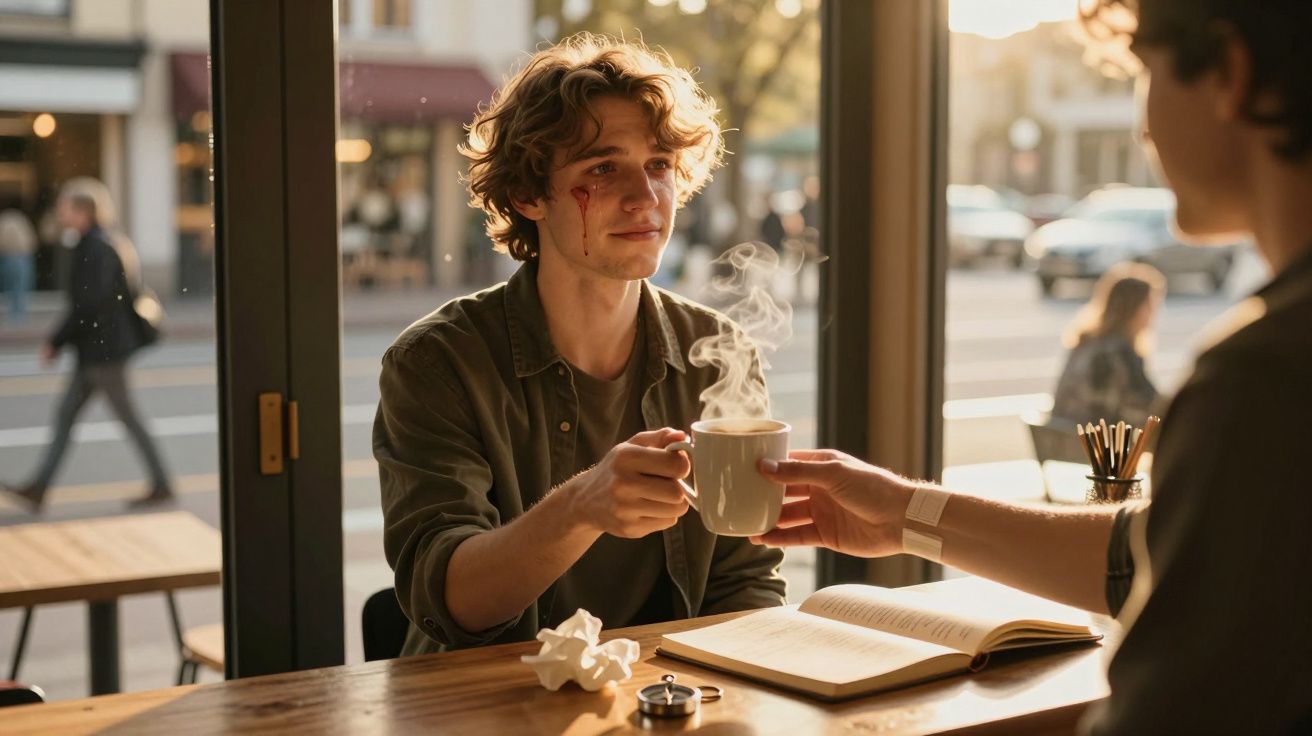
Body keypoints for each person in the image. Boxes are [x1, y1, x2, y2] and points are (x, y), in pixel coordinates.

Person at [749, 2, 1312, 733]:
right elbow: (1136, 549)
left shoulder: (1261, 382)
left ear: (1230, 74)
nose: (1142, 125)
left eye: (1145, 72)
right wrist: (905, 515)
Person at [373, 34, 786, 656]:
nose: (646, 199)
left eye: (659, 166)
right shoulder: (436, 362)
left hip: (666, 701)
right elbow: (449, 599)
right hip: (484, 705)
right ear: (528, 194)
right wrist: (582, 508)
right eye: (602, 168)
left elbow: (746, 581)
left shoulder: (717, 351)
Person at [1, 178, 173, 512]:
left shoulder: (97, 247)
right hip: (97, 351)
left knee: (125, 417)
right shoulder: (102, 242)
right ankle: (38, 488)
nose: (60, 213)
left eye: (66, 207)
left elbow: (87, 305)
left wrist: (55, 341)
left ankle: (162, 483)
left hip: (103, 352)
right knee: (67, 416)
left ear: (84, 211)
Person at [1051, 262, 1165, 428]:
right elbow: (1151, 407)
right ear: (1135, 309)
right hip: (1098, 443)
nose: (1154, 312)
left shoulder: (1085, 341)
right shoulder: (1119, 352)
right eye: (1150, 304)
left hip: (1062, 437)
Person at [0, 207, 36, 325]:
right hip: (22, 256)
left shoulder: (4, 221)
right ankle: (18, 313)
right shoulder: (21, 220)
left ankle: (14, 313)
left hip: (9, 256)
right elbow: (31, 239)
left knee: (12, 285)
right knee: (21, 285)